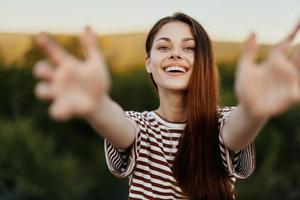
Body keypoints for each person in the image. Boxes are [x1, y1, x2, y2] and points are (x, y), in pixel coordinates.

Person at [33, 12, 300, 200]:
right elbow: (117, 125)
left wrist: (255, 110)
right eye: (163, 47)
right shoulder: (140, 127)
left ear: (204, 62)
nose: (175, 54)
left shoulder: (221, 123)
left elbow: (238, 130)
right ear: (149, 62)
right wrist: (96, 104)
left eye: (189, 48)